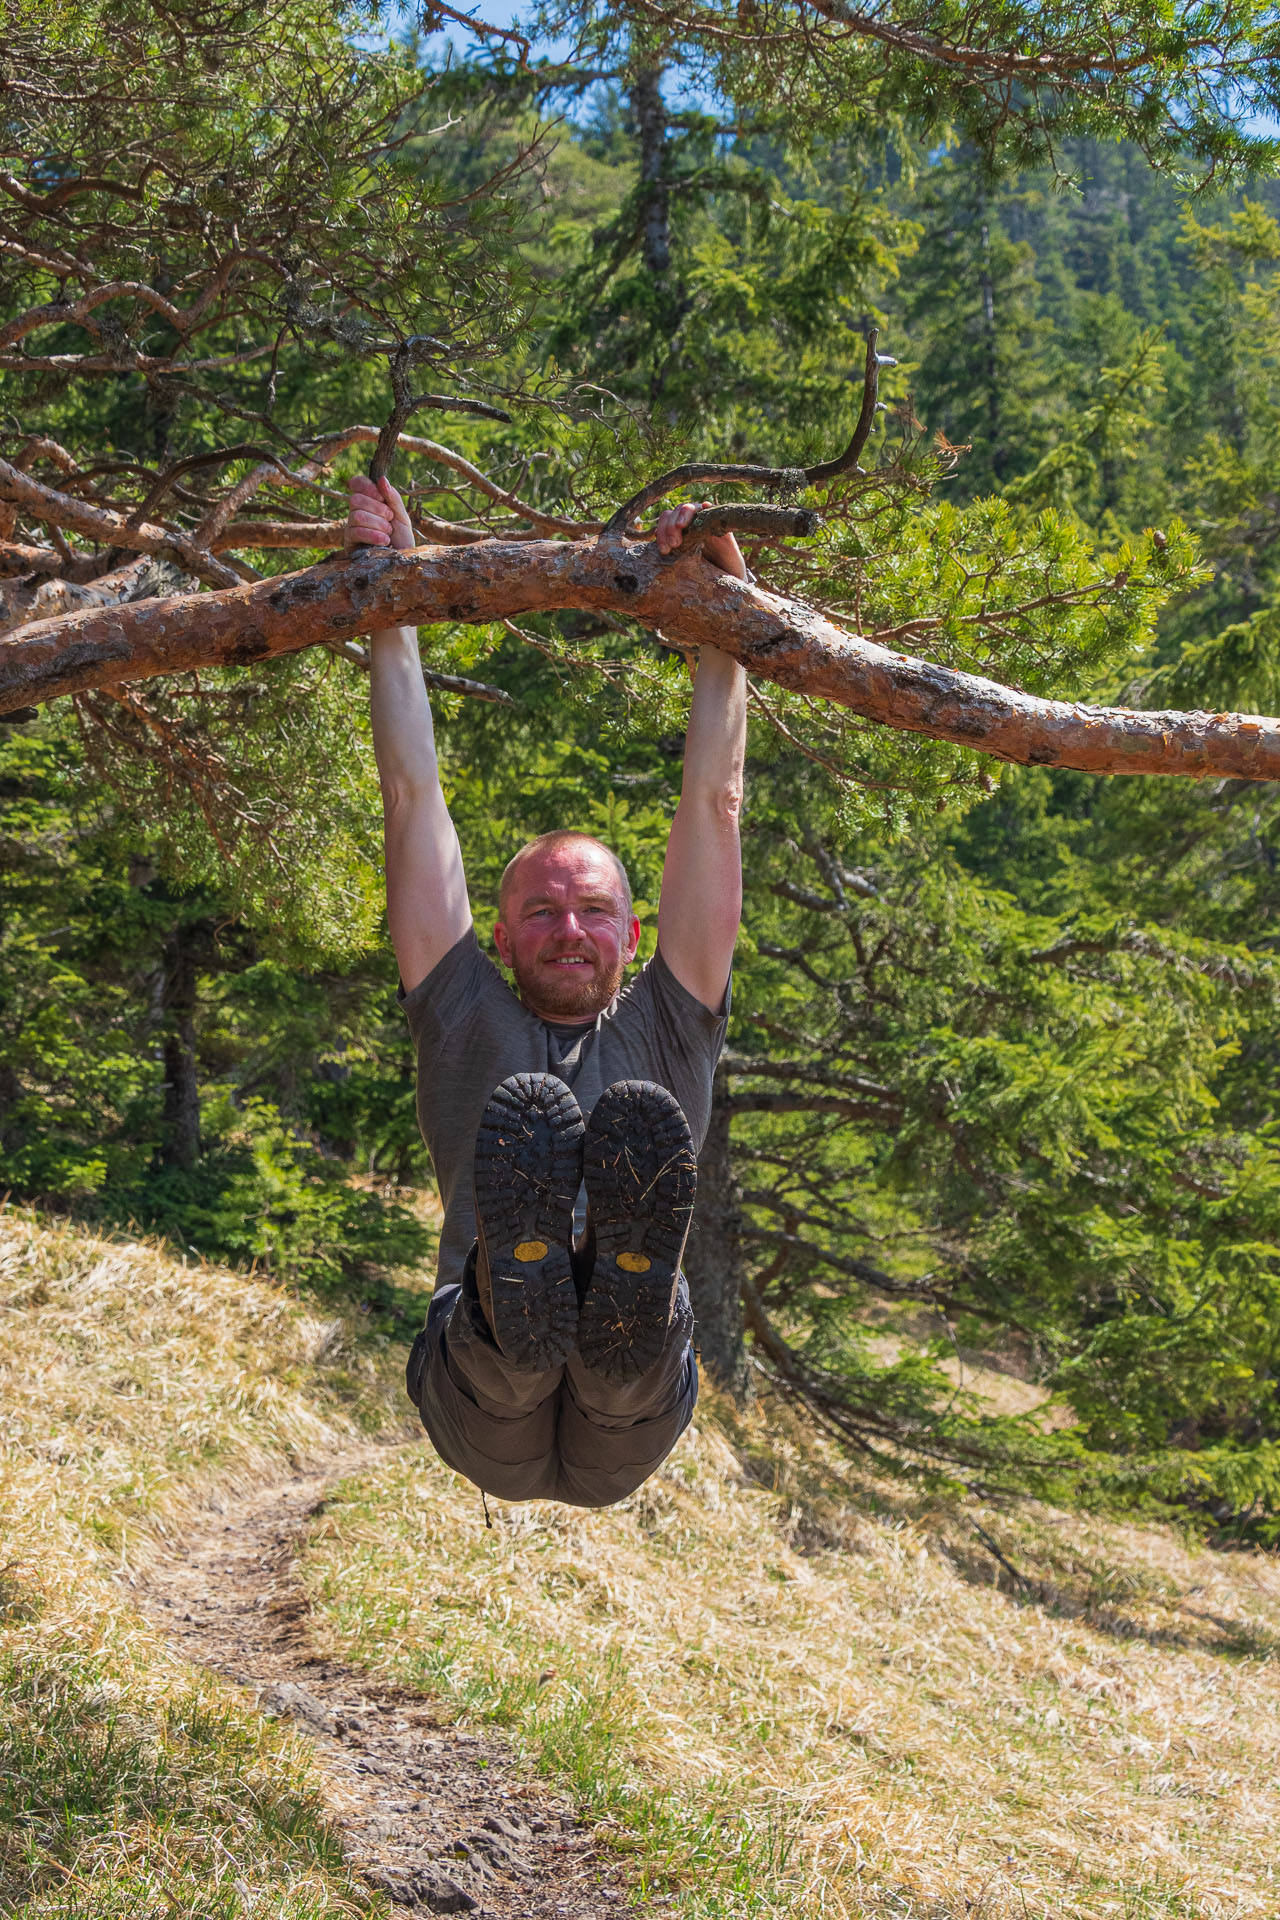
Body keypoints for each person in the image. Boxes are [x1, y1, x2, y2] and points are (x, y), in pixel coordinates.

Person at [346, 474, 746, 1508]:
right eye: (541, 912)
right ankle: (529, 1296)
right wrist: (387, 597)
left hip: (635, 1413)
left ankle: (614, 1297)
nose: (568, 929)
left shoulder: (671, 1018)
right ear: (500, 931)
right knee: (507, 1362)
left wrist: (725, 620)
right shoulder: (462, 1007)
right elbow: (410, 798)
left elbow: (714, 802)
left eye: (592, 911)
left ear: (636, 932)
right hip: (476, 1400)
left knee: (621, 1371)